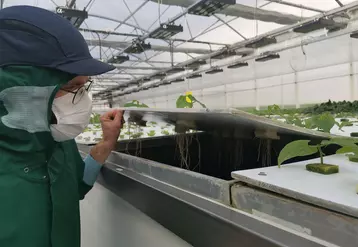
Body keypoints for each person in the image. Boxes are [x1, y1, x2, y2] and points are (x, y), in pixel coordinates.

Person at [0, 5, 123, 247]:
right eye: (71, 87)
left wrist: (106, 144)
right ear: (21, 88)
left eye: (84, 87)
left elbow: (76, 186)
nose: (82, 100)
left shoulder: (58, 142)